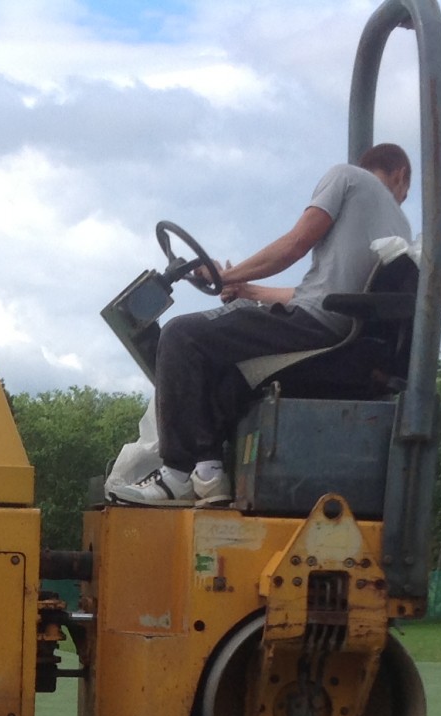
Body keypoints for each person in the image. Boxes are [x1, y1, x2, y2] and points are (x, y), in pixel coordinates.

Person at [111, 143, 413, 506]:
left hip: (316, 324)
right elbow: (322, 293)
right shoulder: (400, 227)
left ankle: (176, 473)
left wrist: (226, 276)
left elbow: (295, 244)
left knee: (181, 335)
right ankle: (208, 475)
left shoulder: (346, 177)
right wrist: (248, 290)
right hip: (342, 330)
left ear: (398, 174)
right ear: (400, 176)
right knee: (224, 373)